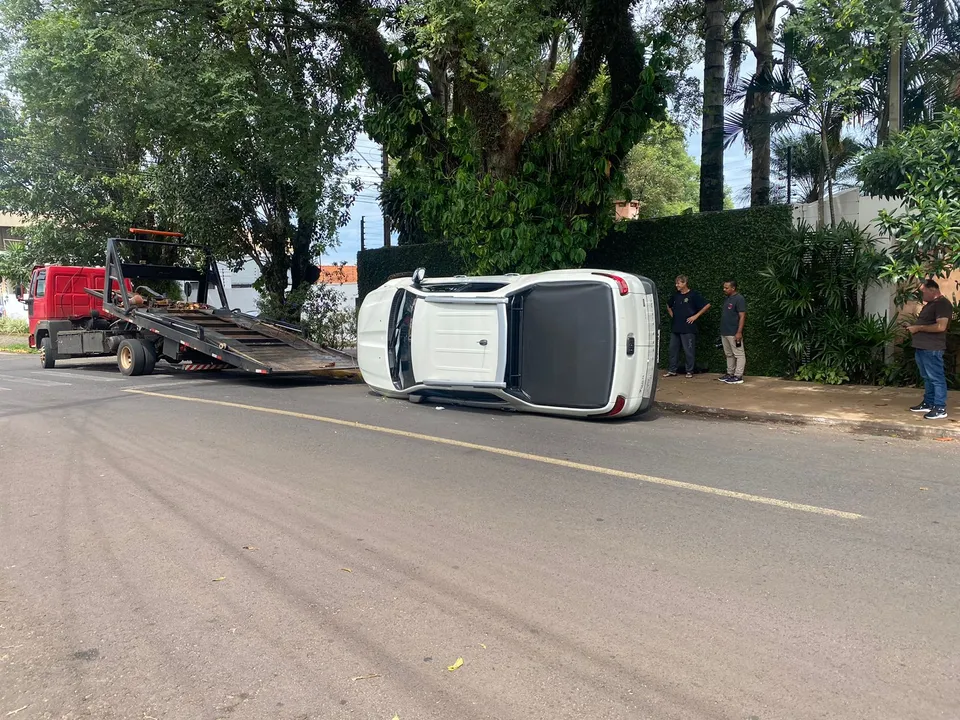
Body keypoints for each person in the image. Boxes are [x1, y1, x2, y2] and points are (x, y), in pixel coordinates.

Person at [907, 278, 953, 420]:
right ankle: (929, 403)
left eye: (923, 291)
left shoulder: (942, 304)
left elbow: (941, 327)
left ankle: (940, 408)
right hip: (922, 347)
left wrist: (918, 327)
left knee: (936, 378)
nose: (922, 295)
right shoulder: (931, 304)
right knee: (927, 377)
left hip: (932, 348)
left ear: (932, 290)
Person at [665, 275, 710, 378]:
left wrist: (695, 316)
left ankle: (689, 371)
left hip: (688, 328)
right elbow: (668, 305)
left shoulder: (693, 295)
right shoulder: (676, 295)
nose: (676, 285)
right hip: (676, 327)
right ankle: (672, 370)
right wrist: (673, 315)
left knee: (688, 350)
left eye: (679, 283)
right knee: (673, 349)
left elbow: (707, 305)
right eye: (676, 283)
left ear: (684, 283)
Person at [719, 280, 746, 384]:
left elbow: (742, 316)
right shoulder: (727, 298)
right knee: (729, 354)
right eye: (724, 287)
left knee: (739, 354)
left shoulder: (739, 299)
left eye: (726, 288)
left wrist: (739, 332)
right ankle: (730, 373)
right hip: (725, 332)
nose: (724, 289)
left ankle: (738, 376)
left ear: (733, 288)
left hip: (734, 332)